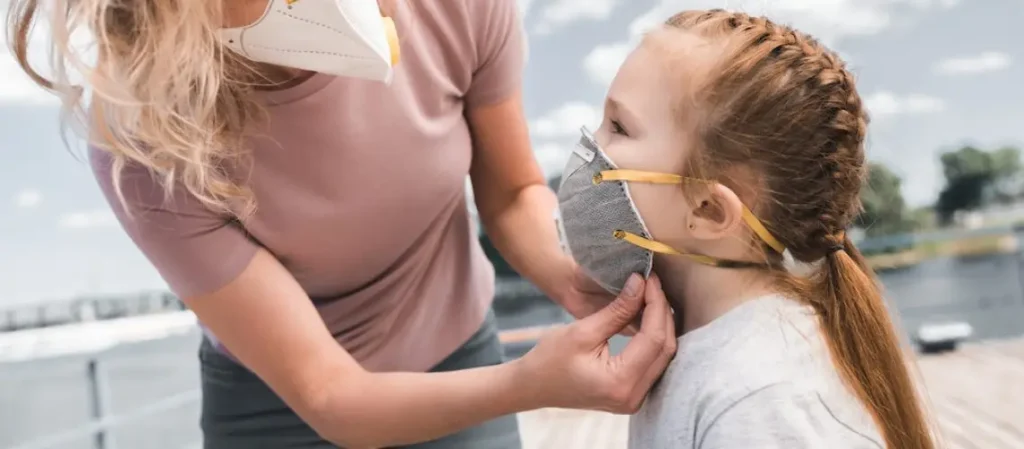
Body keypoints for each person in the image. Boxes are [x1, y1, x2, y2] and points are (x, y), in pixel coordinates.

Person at [7, 0, 678, 448]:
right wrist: (531, 380)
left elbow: (508, 194)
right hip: (275, 411)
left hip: (462, 355)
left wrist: (570, 279)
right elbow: (330, 393)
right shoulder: (140, 131)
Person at [554, 8, 937, 449]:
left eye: (618, 127)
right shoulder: (709, 350)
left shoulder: (762, 400)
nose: (589, 148)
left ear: (710, 210)